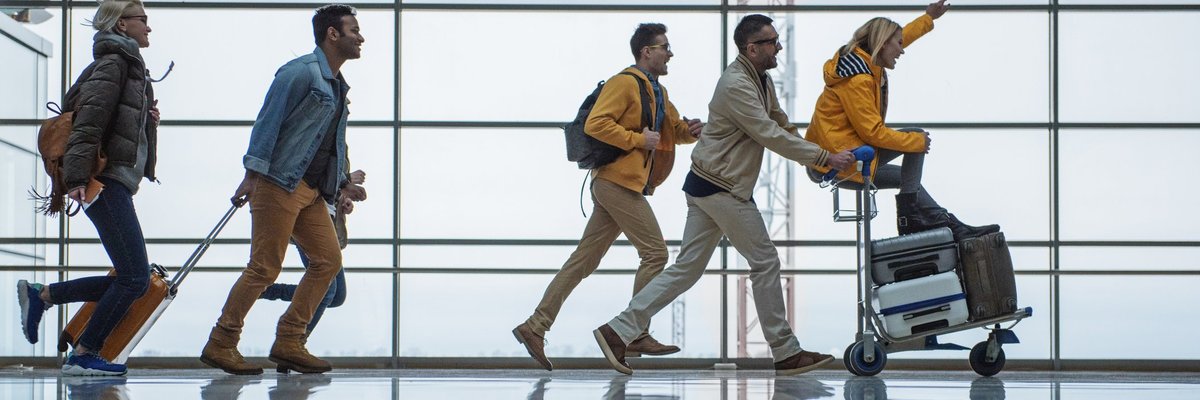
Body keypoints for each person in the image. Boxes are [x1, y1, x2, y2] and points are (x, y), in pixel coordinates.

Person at [592, 14, 855, 376]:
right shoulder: (736, 84)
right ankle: (786, 352)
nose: (778, 47)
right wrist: (823, 158)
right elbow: (767, 133)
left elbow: (780, 123)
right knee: (765, 261)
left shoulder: (761, 79)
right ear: (752, 48)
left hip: (709, 182)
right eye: (772, 41)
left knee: (686, 269)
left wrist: (817, 156)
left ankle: (617, 331)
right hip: (722, 187)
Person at [512, 23, 703, 371]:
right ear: (646, 51)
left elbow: (670, 131)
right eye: (665, 47)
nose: (670, 53)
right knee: (655, 253)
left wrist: (689, 132)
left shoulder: (657, 91)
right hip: (617, 182)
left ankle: (535, 325)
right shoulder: (624, 83)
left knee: (583, 260)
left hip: (621, 184)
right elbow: (596, 124)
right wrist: (637, 140)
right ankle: (634, 331)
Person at [200, 4, 364, 375]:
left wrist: (342, 182)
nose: (361, 37)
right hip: (278, 183)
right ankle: (221, 342)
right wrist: (252, 173)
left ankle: (290, 340)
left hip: (311, 191)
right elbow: (268, 122)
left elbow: (330, 143)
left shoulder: (337, 86)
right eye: (354, 30)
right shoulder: (299, 72)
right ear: (332, 34)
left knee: (328, 260)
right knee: (264, 268)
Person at [16, 0, 162, 376]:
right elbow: (88, 124)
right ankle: (84, 352)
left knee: (133, 278)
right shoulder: (114, 64)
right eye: (143, 20)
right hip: (104, 180)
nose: (149, 27)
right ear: (122, 25)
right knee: (135, 278)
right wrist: (79, 178)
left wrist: (147, 120)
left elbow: (111, 122)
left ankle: (43, 296)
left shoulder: (127, 66)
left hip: (114, 180)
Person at [803, 0, 999, 241]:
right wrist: (917, 143)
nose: (902, 50)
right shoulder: (858, 79)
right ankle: (915, 218)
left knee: (905, 177)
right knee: (914, 137)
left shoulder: (867, 62)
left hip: (850, 149)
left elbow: (901, 37)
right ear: (882, 43)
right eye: (897, 44)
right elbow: (872, 133)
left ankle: (943, 223)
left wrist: (928, 18)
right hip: (835, 160)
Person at [258, 168, 367, 335]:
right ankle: (293, 338)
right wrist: (346, 180)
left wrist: (343, 200)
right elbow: (311, 175)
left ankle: (266, 291)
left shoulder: (341, 151)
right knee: (327, 292)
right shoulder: (322, 149)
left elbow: (328, 188)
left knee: (337, 296)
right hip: (310, 222)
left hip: (327, 224)